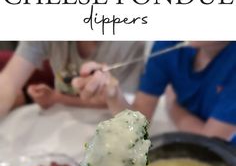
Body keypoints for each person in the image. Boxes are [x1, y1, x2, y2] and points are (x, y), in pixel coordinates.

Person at [72, 41, 236, 140]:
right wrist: (113, 94)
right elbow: (138, 125)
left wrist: (173, 106)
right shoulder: (169, 44)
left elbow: (211, 142)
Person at [0, 41, 146, 117]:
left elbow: (127, 108)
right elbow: (8, 82)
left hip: (110, 127)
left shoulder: (131, 43)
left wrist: (57, 99)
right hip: (61, 124)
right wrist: (55, 99)